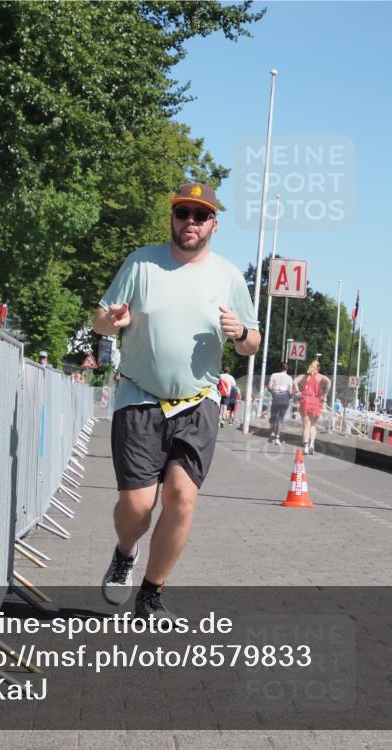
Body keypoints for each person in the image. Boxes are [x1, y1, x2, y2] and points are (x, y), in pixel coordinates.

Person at [90, 182, 260, 620]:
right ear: (172, 217)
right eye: (183, 213)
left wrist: (240, 333)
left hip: (198, 400)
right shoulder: (141, 262)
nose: (190, 222)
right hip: (140, 397)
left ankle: (152, 593)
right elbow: (102, 319)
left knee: (182, 497)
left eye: (200, 216)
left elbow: (253, 342)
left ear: (214, 225)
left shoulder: (228, 276)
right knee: (138, 505)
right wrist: (112, 321)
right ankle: (125, 551)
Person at [294, 360, 330, 455]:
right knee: (313, 426)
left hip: (305, 400)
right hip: (316, 401)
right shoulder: (321, 377)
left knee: (306, 426)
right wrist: (325, 394)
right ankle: (312, 445)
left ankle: (305, 446)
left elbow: (294, 381)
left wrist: (298, 391)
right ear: (318, 368)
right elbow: (329, 382)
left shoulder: (304, 376)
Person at [266, 362, 294, 445]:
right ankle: (277, 437)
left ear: (279, 368)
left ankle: (272, 432)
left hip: (276, 397)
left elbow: (270, 386)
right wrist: (289, 397)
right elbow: (290, 391)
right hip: (285, 398)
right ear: (287, 368)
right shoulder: (289, 378)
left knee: (273, 416)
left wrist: (273, 392)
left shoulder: (274, 375)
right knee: (280, 419)